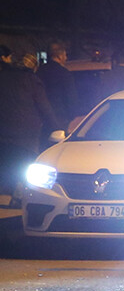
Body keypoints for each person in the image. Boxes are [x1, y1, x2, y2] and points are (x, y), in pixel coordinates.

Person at [0, 53, 61, 196]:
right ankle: (26, 195)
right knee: (27, 164)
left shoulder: (2, 78)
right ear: (34, 67)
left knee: (7, 163)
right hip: (26, 134)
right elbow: (44, 107)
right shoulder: (31, 80)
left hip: (3, 133)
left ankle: (8, 193)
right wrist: (57, 127)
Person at [36, 42, 78, 134]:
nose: (66, 58)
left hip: (41, 116)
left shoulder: (39, 71)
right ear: (59, 56)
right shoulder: (64, 73)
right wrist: (73, 115)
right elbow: (70, 96)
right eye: (65, 55)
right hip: (60, 116)